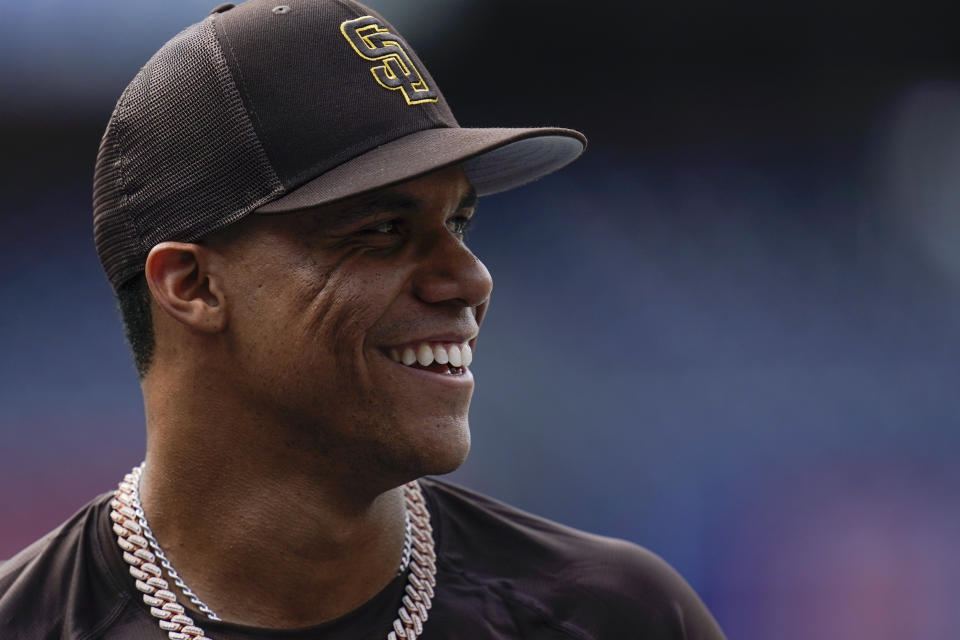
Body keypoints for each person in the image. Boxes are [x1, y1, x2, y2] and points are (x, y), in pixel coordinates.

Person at [0, 1, 726, 638]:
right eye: (381, 230)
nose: (469, 280)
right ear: (192, 285)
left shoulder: (613, 615)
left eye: (460, 223)